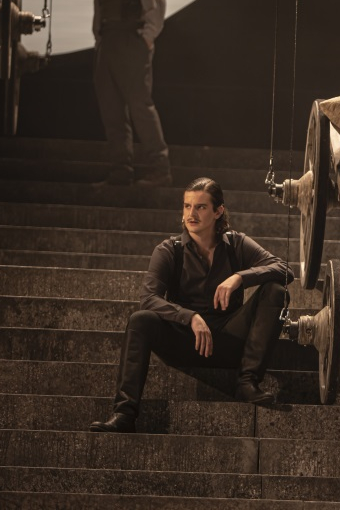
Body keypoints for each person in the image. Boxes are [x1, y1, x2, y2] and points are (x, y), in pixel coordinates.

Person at [90, 177, 294, 433]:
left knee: (275, 290)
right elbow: (149, 298)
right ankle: (124, 414)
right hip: (186, 341)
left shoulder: (236, 244)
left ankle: (247, 382)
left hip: (230, 339)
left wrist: (240, 278)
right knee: (140, 320)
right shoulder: (169, 250)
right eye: (187, 206)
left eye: (200, 207)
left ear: (218, 211)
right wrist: (190, 317)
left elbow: (285, 269)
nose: (191, 214)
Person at [79, 0, 172, 187]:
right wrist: (100, 43)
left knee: (140, 107)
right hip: (108, 46)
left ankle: (159, 169)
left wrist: (144, 39)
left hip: (130, 42)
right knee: (112, 112)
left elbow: (156, 2)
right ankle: (121, 171)